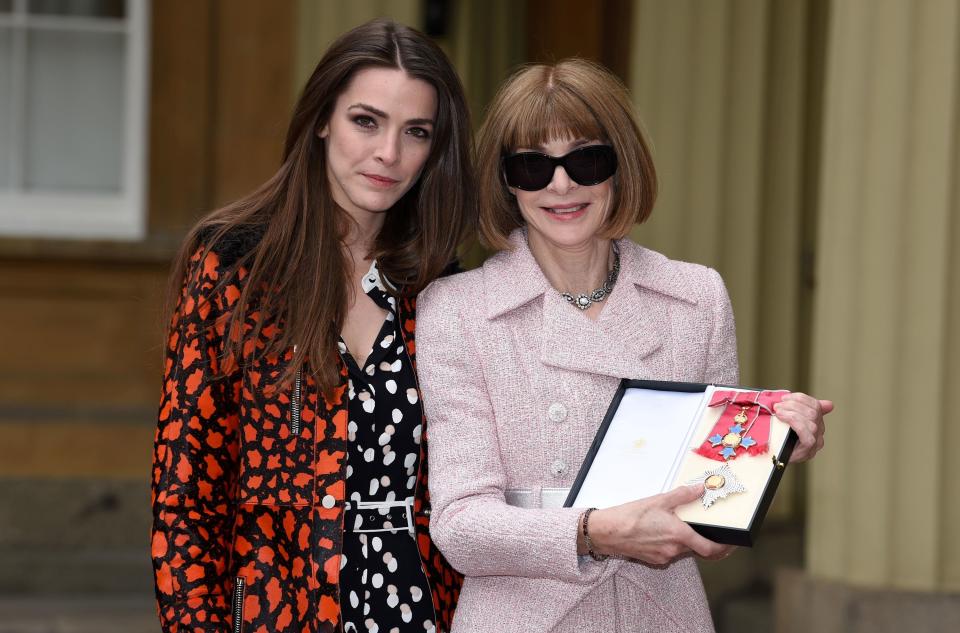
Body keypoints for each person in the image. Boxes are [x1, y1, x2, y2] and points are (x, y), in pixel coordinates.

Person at [415, 58, 832, 632]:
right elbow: (460, 527)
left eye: (586, 159)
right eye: (533, 166)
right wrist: (595, 532)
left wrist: (773, 443)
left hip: (661, 614)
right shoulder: (457, 311)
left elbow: (716, 500)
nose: (561, 185)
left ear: (621, 165)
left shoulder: (696, 298)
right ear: (507, 181)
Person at [151, 19, 471, 633]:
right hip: (280, 609)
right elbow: (185, 497)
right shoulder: (233, 267)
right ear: (323, 118)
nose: (389, 154)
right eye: (366, 121)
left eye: (417, 133)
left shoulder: (442, 291)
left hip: (420, 612)